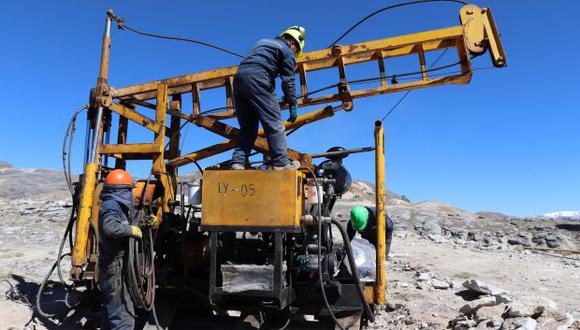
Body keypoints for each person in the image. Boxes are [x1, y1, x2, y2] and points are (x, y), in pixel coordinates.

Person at [230, 26, 306, 170]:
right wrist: (292, 103)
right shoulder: (287, 51)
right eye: (296, 52)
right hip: (259, 79)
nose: (294, 54)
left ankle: (238, 163)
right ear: (293, 44)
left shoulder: (262, 42)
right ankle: (281, 164)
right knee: (275, 123)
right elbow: (288, 81)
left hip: (239, 80)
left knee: (247, 128)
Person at [98, 169, 142, 330]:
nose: (130, 194)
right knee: (123, 317)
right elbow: (110, 227)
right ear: (121, 190)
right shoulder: (111, 205)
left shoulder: (117, 206)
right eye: (129, 190)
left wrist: (143, 224)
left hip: (115, 265)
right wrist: (131, 230)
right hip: (113, 266)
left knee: (112, 312)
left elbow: (124, 223)